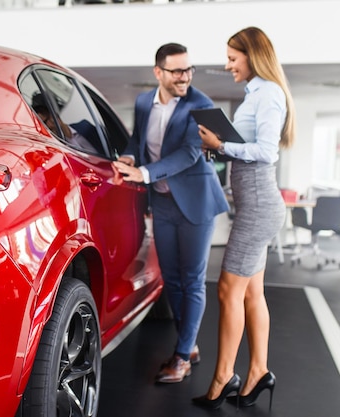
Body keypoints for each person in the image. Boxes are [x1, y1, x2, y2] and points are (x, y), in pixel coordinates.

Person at [192, 26, 296, 410]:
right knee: (252, 293)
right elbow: (249, 148)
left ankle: (223, 378)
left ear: (253, 56)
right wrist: (219, 151)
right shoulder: (257, 93)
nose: (228, 64)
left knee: (227, 290)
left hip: (258, 208)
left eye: (233, 58)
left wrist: (221, 144)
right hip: (256, 206)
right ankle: (258, 372)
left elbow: (267, 151)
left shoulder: (268, 94)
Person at [112, 43, 229, 384]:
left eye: (189, 70)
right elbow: (137, 142)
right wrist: (131, 158)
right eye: (177, 71)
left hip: (195, 202)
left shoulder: (201, 105)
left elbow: (190, 154)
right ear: (158, 72)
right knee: (172, 279)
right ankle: (188, 342)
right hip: (162, 203)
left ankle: (182, 356)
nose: (185, 77)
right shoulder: (143, 102)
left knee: (192, 279)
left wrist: (145, 174)